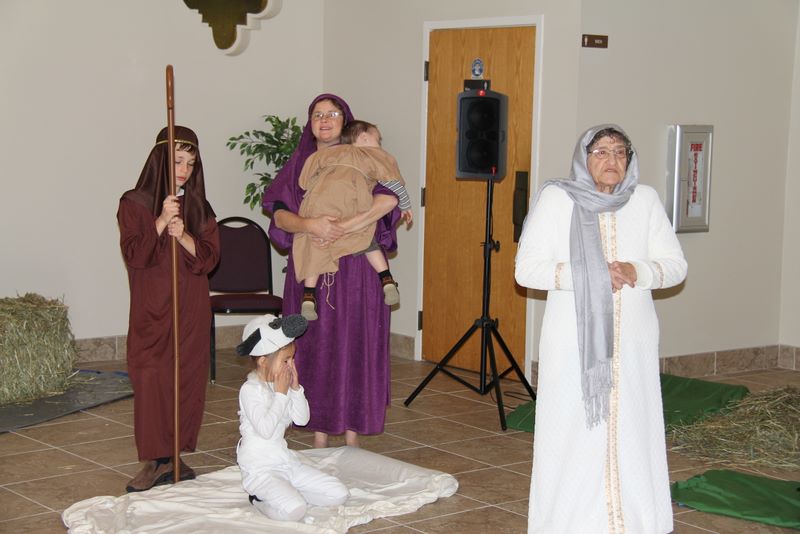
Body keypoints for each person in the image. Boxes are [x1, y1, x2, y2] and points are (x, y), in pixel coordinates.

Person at [514, 124, 687, 533]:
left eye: (620, 152)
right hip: (572, 343)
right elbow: (526, 271)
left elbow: (676, 266)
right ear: (583, 158)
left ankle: (635, 521)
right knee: (572, 430)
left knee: (634, 428)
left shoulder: (645, 200)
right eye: (602, 152)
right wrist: (589, 274)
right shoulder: (558, 199)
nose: (612, 160)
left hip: (633, 342)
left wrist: (637, 270)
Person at [262, 94, 401, 448]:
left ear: (346, 120)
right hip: (312, 262)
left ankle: (353, 436)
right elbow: (279, 215)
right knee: (315, 349)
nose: (324, 120)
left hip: (357, 272)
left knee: (356, 346)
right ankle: (319, 436)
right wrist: (311, 224)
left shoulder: (364, 155)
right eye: (317, 115)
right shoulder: (300, 163)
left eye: (332, 113)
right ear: (310, 123)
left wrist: (345, 226)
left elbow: (389, 199)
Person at [118, 126, 220, 492]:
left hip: (190, 305)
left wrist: (184, 235)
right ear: (160, 160)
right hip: (152, 305)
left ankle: (173, 455)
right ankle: (155, 457)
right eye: (177, 161)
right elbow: (134, 253)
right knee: (150, 375)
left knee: (185, 376)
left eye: (191, 163)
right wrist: (160, 221)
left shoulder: (200, 207)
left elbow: (209, 258)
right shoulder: (134, 203)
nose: (184, 170)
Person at [294, 119, 413, 321]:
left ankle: (308, 296)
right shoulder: (374, 155)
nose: (379, 144)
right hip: (354, 200)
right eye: (378, 139)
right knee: (365, 238)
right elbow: (393, 183)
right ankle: (386, 279)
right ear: (364, 137)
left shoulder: (326, 153)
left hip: (320, 203)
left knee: (313, 244)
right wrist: (405, 204)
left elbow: (304, 180)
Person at [235, 313, 349, 521]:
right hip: (261, 469)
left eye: (292, 359)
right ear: (263, 361)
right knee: (294, 510)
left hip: (285, 462)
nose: (291, 365)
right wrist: (281, 394)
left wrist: (295, 389)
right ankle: (259, 500)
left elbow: (302, 420)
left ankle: (288, 492)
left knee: (339, 494)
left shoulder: (283, 386)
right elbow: (265, 430)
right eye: (285, 360)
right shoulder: (250, 390)